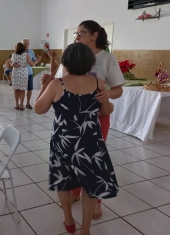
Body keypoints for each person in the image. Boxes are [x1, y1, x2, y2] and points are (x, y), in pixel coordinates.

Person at [42, 20, 125, 220]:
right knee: (71, 159)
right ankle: (75, 192)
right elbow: (60, 83)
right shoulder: (70, 57)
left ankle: (96, 202)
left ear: (94, 35)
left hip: (95, 119)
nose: (77, 36)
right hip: (70, 123)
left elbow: (118, 90)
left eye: (81, 33)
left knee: (92, 161)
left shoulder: (106, 59)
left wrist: (107, 96)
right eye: (76, 34)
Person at [34, 43, 118, 235]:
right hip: (91, 141)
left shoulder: (58, 84)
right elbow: (105, 112)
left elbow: (39, 109)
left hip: (64, 142)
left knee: (63, 181)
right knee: (91, 185)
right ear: (90, 62)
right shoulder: (98, 84)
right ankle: (85, 230)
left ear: (66, 62)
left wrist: (45, 85)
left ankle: (69, 221)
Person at [11, 43, 39, 110]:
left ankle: (17, 104)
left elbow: (11, 62)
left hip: (15, 73)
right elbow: (31, 64)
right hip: (23, 73)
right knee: (22, 90)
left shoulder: (13, 54)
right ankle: (21, 105)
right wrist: (37, 60)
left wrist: (13, 64)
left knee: (16, 89)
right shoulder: (26, 55)